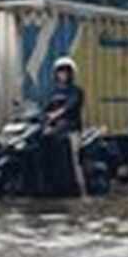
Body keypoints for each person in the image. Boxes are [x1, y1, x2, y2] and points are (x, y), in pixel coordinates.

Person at [45, 57, 86, 196]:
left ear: (71, 74)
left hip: (72, 130)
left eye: (66, 72)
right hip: (55, 130)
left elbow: (71, 105)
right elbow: (45, 108)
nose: (63, 75)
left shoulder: (76, 91)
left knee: (74, 159)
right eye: (60, 72)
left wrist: (57, 114)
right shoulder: (53, 92)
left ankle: (81, 190)